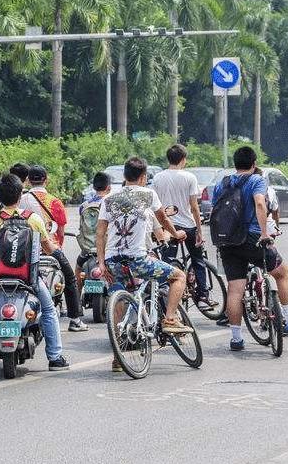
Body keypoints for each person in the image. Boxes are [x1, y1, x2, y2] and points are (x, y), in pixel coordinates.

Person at [0, 173, 71, 372]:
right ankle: (55, 358)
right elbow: (48, 248)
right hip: (28, 278)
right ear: (20, 195)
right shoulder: (33, 219)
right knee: (49, 310)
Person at [95, 158, 190, 370]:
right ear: (143, 177)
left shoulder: (109, 199)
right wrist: (176, 234)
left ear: (124, 176)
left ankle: (118, 358)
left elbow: (100, 233)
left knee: (118, 303)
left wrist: (102, 263)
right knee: (179, 277)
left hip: (112, 261)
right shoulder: (149, 194)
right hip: (138, 260)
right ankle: (170, 319)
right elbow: (163, 221)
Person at [209, 146, 272, 352]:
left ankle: (236, 338)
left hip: (227, 240)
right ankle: (286, 319)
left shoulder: (222, 183)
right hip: (251, 237)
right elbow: (260, 204)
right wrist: (264, 233)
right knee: (282, 272)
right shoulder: (256, 180)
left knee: (235, 290)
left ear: (235, 164)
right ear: (254, 164)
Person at [19, 165, 87, 332]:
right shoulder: (54, 201)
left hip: (25, 252)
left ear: (28, 180)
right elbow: (61, 231)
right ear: (46, 180)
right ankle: (75, 319)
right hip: (50, 250)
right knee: (70, 279)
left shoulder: (21, 200)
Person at [152, 144, 213, 312]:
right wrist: (200, 230)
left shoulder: (158, 178)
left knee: (167, 262)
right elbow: (194, 207)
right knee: (197, 260)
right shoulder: (189, 177)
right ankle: (202, 296)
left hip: (166, 226)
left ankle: (163, 295)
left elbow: (155, 206)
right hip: (187, 226)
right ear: (183, 159)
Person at [255, 167, 288, 335]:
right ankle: (287, 320)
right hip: (260, 237)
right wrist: (276, 228)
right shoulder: (267, 191)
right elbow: (274, 212)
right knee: (283, 272)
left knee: (236, 283)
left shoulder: (233, 187)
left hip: (234, 240)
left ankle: (232, 326)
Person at [76, 171, 111, 264]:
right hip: (107, 248)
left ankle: (77, 279)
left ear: (94, 187)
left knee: (79, 266)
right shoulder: (111, 204)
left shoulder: (84, 205)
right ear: (109, 187)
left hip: (88, 249)